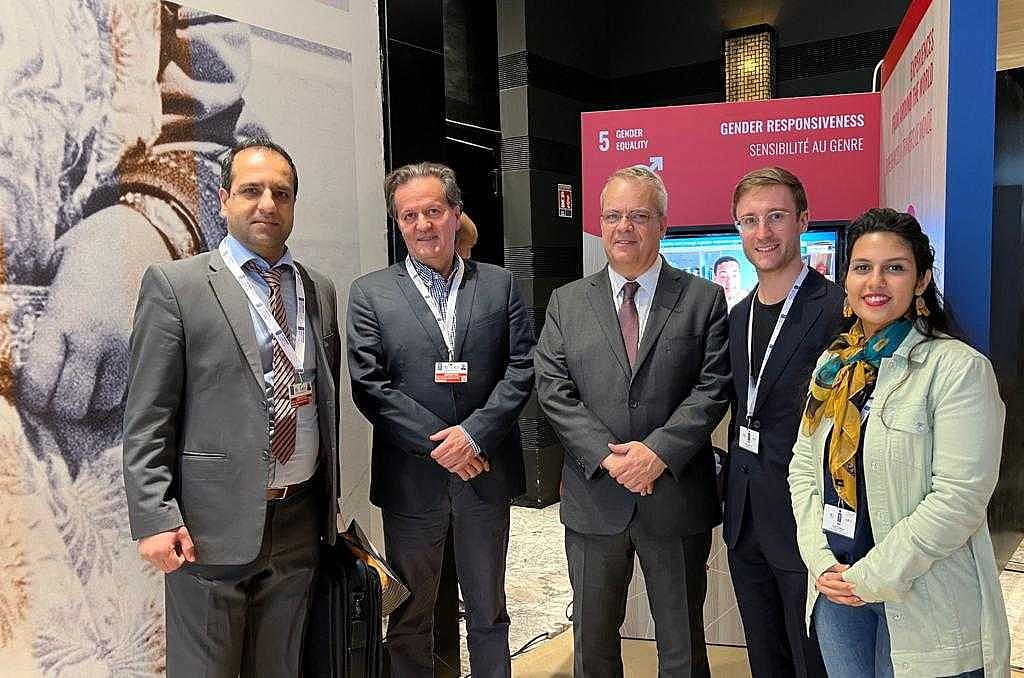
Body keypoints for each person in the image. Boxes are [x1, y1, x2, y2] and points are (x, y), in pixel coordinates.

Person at [122, 137, 342, 677]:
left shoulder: (318, 289)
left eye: (281, 193)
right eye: (251, 190)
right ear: (224, 200)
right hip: (208, 529)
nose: (267, 204)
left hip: (299, 523)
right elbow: (147, 415)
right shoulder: (177, 286)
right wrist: (154, 517)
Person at [788, 208, 1010, 677]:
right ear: (846, 279)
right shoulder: (834, 366)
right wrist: (820, 561)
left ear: (922, 280)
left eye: (895, 268)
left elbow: (959, 499)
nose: (876, 282)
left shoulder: (958, 369)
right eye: (862, 267)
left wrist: (870, 576)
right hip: (837, 589)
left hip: (923, 594)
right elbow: (803, 468)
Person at [534, 165, 730, 677]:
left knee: (682, 646)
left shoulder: (703, 299)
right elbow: (553, 389)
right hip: (594, 498)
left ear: (663, 224)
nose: (624, 227)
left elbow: (712, 388)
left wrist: (657, 453)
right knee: (593, 644)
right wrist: (611, 458)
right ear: (600, 223)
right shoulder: (566, 302)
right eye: (613, 216)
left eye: (639, 216)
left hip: (675, 498)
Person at [346, 161, 534, 677]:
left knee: (489, 612)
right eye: (409, 215)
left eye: (433, 211)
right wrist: (444, 446)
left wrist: (474, 436)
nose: (422, 225)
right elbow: (370, 386)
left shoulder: (499, 285)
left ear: (455, 213)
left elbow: (522, 367)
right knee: (408, 616)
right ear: (398, 223)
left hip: (485, 474)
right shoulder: (370, 294)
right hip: (412, 482)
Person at [722, 167, 844, 678]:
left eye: (775, 217)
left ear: (803, 221)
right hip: (745, 514)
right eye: (749, 220)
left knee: (811, 658)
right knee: (764, 655)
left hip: (805, 518)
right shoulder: (738, 316)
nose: (763, 232)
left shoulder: (838, 310)